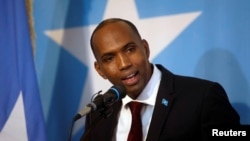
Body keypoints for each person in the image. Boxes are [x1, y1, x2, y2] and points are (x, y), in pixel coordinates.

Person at [80, 18, 240, 141]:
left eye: (130, 49)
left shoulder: (202, 97)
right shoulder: (98, 114)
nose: (124, 64)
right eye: (109, 58)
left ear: (145, 49)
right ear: (100, 70)